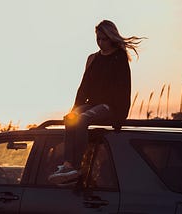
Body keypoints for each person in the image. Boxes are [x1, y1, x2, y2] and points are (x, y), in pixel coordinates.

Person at [48, 20, 145, 185]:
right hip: (92, 104)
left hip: (110, 107)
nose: (100, 42)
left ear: (111, 38)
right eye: (98, 39)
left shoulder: (119, 57)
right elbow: (83, 87)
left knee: (84, 119)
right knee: (70, 117)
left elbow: (125, 88)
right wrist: (74, 109)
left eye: (104, 39)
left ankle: (77, 167)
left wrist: (120, 117)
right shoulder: (93, 59)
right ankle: (67, 165)